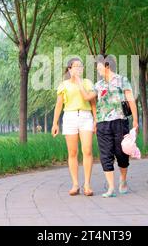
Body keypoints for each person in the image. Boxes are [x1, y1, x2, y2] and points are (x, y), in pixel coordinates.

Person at [78, 56, 138, 198]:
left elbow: (130, 100)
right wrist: (79, 82)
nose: (98, 71)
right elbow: (87, 97)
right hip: (103, 123)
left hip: (120, 121)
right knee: (106, 155)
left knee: (122, 154)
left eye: (99, 68)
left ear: (107, 66)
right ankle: (111, 188)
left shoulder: (122, 80)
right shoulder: (98, 85)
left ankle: (122, 180)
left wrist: (135, 120)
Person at [52, 58, 97, 196]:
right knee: (72, 152)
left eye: (80, 66)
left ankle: (87, 185)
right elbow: (59, 105)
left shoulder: (87, 82)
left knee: (87, 150)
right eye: (75, 66)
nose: (78, 68)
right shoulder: (63, 85)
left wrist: (96, 119)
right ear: (69, 69)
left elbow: (93, 102)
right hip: (69, 117)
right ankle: (75, 184)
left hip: (85, 116)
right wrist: (55, 123)